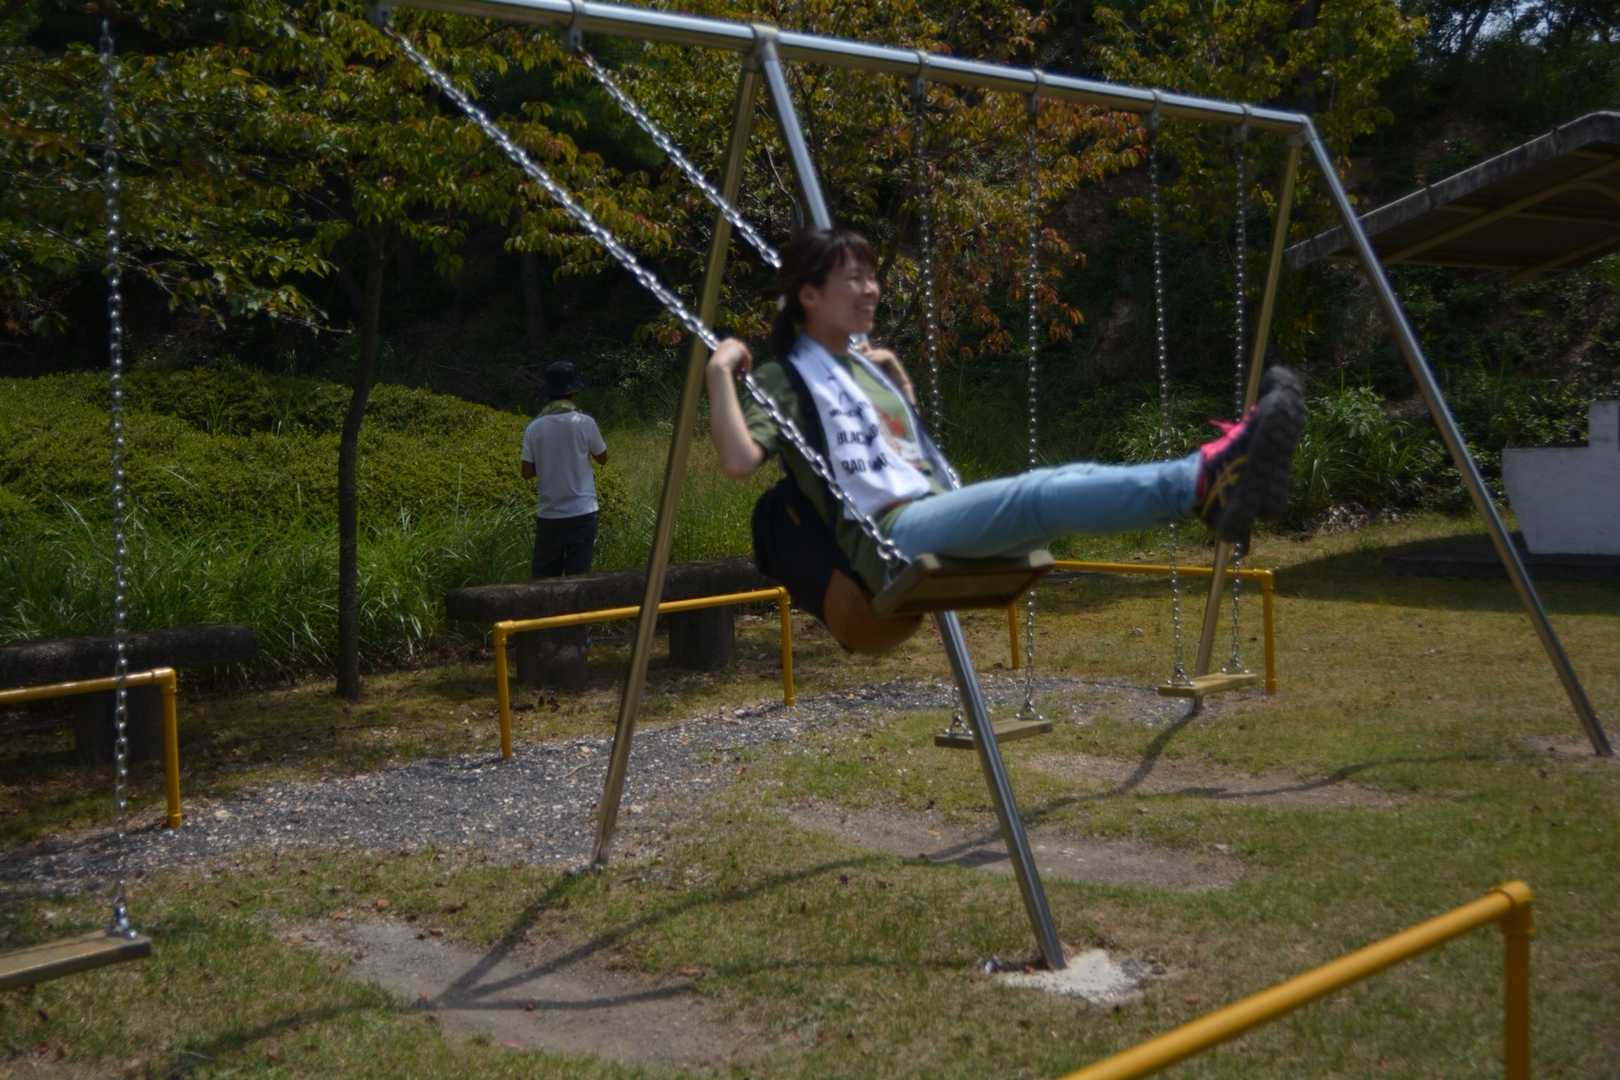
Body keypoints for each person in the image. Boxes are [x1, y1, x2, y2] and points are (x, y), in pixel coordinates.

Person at [705, 227, 1305, 654]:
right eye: (854, 279)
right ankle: (1203, 478)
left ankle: (1211, 488)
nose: (872, 289)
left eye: (873, 277)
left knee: (1063, 485)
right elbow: (737, 461)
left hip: (930, 511)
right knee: (1038, 494)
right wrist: (718, 373)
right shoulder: (784, 378)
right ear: (809, 296)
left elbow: (907, 454)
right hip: (893, 539)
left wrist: (900, 383)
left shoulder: (866, 368)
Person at [522, 360, 608, 578]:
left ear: (548, 393)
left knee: (544, 580)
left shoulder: (534, 428)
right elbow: (602, 458)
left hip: (549, 513)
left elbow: (527, 472)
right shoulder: (585, 422)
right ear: (573, 393)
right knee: (578, 577)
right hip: (583, 511)